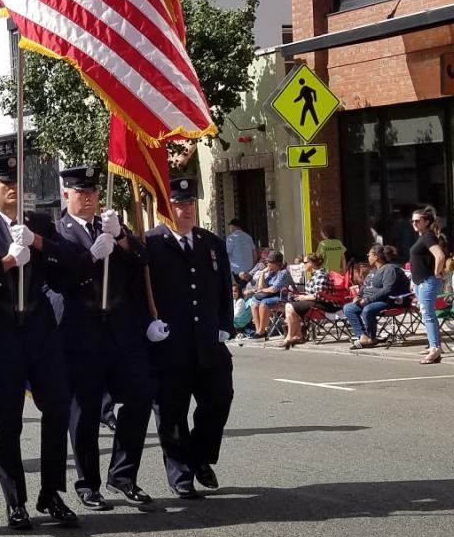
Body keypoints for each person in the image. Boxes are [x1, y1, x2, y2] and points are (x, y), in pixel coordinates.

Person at [0, 153, 81, 528]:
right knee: (8, 421)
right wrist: (8, 262)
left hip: (41, 331)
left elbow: (73, 268)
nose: (12, 188)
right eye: (4, 183)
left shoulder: (40, 223)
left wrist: (40, 243)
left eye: (17, 182)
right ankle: (16, 501)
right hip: (1, 333)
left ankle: (52, 492)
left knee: (58, 408)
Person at [53, 165, 155, 511]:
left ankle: (123, 475)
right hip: (82, 333)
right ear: (66, 195)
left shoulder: (112, 227)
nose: (89, 198)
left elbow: (143, 262)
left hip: (122, 332)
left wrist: (123, 238)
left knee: (140, 399)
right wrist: (92, 255)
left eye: (93, 192)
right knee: (84, 412)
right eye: (81, 193)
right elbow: (59, 279)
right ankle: (88, 483)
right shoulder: (58, 233)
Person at [144, 177, 233, 499]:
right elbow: (138, 293)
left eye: (189, 203)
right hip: (170, 345)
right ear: (164, 209)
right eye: (179, 204)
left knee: (220, 398)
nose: (186, 210)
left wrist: (226, 323)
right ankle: (180, 473)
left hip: (208, 342)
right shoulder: (150, 244)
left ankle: (199, 456)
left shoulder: (210, 243)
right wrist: (147, 324)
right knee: (172, 412)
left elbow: (224, 287)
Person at [342, 244, 409, 349]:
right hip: (369, 300)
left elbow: (388, 290)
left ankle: (371, 337)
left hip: (388, 300)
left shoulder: (390, 269)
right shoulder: (373, 271)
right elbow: (365, 286)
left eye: (369, 255)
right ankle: (363, 336)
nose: (368, 257)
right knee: (348, 308)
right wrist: (359, 296)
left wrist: (368, 300)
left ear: (376, 256)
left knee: (368, 310)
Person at [280, 252, 343, 348]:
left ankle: (291, 336)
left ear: (312, 263)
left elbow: (319, 295)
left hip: (327, 305)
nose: (303, 265)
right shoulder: (314, 275)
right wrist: (299, 296)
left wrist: (304, 297)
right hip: (317, 303)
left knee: (289, 306)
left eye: (305, 262)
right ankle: (298, 335)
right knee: (290, 305)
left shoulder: (320, 275)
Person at [410, 205, 447, 365]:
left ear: (426, 221)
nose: (414, 223)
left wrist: (437, 273)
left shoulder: (427, 237)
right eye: (412, 221)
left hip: (427, 281)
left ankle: (435, 348)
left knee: (428, 314)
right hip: (420, 282)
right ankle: (433, 344)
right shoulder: (422, 237)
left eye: (417, 221)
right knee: (426, 314)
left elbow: (440, 256)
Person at [247, 251, 292, 338]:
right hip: (271, 296)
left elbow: (274, 289)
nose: (267, 263)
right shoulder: (271, 273)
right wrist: (263, 273)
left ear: (277, 263)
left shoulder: (283, 273)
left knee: (264, 303)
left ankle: (262, 331)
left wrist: (262, 290)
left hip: (282, 297)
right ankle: (258, 330)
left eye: (269, 262)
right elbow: (261, 287)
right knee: (254, 303)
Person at [225, 219, 257, 285]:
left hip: (237, 270)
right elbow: (254, 253)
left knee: (241, 288)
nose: (230, 229)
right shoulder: (248, 237)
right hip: (250, 269)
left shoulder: (231, 238)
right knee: (249, 287)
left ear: (234, 226)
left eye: (230, 227)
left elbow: (227, 253)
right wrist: (253, 265)